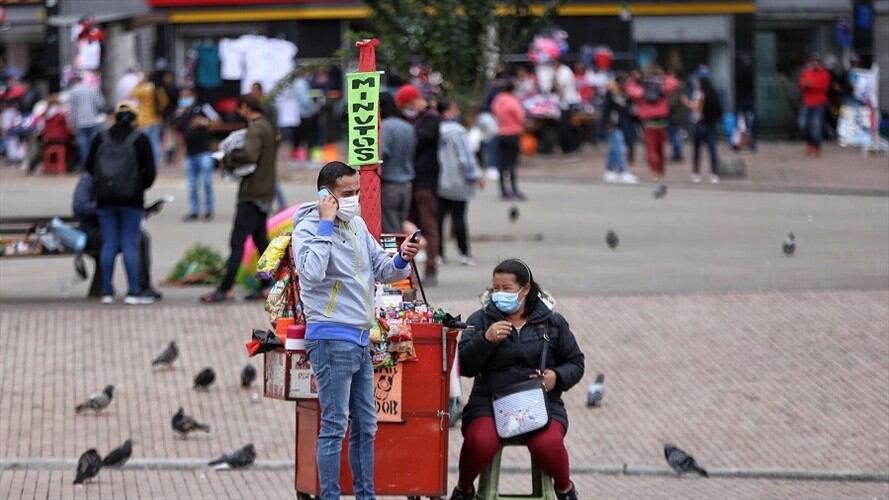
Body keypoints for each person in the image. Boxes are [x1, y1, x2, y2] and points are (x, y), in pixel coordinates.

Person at [293, 161, 420, 500]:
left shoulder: (356, 224)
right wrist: (324, 223)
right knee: (334, 426)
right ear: (325, 195)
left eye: (356, 192)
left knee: (366, 425)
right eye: (346, 193)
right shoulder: (309, 227)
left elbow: (383, 270)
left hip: (361, 338)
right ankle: (330, 495)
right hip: (331, 336)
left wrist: (402, 258)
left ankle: (366, 495)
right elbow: (311, 273)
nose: (353, 199)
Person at [450, 259, 585, 500]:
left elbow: (576, 362)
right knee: (480, 442)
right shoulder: (480, 320)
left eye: (507, 289)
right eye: (495, 289)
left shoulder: (552, 323)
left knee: (547, 445)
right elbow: (464, 367)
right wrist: (485, 340)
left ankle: (565, 489)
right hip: (489, 402)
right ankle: (464, 489)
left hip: (541, 404)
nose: (499, 294)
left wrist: (558, 377)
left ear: (525, 289)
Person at [201, 94, 277, 303]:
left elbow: (250, 155)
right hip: (264, 192)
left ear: (246, 107)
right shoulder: (268, 126)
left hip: (252, 193)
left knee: (237, 242)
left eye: (240, 109)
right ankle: (266, 285)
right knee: (261, 242)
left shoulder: (255, 128)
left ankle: (225, 289)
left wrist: (228, 157)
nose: (238, 113)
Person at [83, 102, 157, 305]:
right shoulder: (140, 139)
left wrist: (103, 184)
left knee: (109, 243)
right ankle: (133, 292)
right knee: (129, 243)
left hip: (105, 198)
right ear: (134, 118)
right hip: (132, 199)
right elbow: (150, 172)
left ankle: (106, 291)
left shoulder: (101, 137)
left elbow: (89, 167)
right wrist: (140, 186)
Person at [72, 172, 162, 300]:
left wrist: (146, 211)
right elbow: (79, 207)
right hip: (93, 230)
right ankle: (118, 288)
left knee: (142, 237)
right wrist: (105, 209)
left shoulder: (123, 178)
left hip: (118, 227)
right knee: (130, 240)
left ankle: (143, 285)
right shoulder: (89, 179)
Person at [395, 84, 440, 285]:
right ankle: (408, 269)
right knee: (410, 227)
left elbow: (421, 141)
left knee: (428, 225)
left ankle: (431, 267)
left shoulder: (430, 119)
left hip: (425, 182)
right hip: (411, 181)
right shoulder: (414, 120)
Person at [436, 99, 482, 266]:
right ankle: (464, 253)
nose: (457, 112)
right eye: (455, 108)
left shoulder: (436, 130)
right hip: (458, 182)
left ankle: (438, 254)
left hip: (440, 182)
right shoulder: (459, 132)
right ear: (447, 111)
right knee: (459, 218)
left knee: (439, 219)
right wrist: (475, 175)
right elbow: (465, 158)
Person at [627, 67, 679, 181]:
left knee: (651, 148)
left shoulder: (642, 90)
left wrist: (633, 78)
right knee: (661, 148)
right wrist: (664, 76)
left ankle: (654, 171)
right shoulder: (662, 88)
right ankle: (661, 170)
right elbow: (675, 84)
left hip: (648, 123)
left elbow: (630, 90)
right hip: (662, 122)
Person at [176, 87, 220, 220]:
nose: (184, 99)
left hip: (204, 152)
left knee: (206, 182)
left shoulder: (203, 108)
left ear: (193, 96)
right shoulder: (182, 113)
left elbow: (218, 120)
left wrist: (204, 122)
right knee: (192, 185)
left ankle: (209, 209)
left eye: (186, 96)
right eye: (182, 97)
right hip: (190, 153)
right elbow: (180, 133)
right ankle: (194, 210)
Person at [380, 92, 416, 234]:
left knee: (390, 230)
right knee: (401, 225)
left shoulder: (385, 127)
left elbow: (382, 155)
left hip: (389, 185)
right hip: (407, 185)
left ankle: (393, 256)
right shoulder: (408, 127)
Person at [491, 81, 527, 200]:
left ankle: (503, 190)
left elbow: (494, 113)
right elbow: (520, 117)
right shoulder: (513, 101)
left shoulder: (497, 101)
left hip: (501, 133)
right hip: (513, 133)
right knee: (512, 163)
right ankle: (514, 190)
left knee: (502, 163)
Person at [601, 77, 639, 184]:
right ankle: (623, 172)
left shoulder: (622, 94)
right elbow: (606, 110)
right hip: (612, 125)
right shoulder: (611, 94)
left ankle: (608, 172)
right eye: (622, 82)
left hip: (620, 125)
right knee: (619, 148)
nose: (624, 84)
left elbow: (627, 108)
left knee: (613, 149)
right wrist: (606, 123)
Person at [688, 77, 723, 184]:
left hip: (700, 124)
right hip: (711, 125)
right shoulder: (713, 94)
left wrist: (687, 102)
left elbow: (697, 108)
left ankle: (696, 173)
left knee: (697, 150)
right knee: (712, 150)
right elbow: (719, 110)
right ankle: (714, 173)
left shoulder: (699, 94)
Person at [67, 75, 106, 169]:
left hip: (80, 122)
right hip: (93, 120)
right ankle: (95, 164)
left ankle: (85, 166)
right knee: (94, 143)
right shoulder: (92, 89)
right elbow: (101, 103)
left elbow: (73, 109)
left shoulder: (73, 91)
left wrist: (71, 123)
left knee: (83, 144)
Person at [130, 73, 168, 167]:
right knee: (155, 143)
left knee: (144, 143)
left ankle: (145, 163)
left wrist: (139, 83)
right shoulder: (159, 89)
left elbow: (132, 93)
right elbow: (164, 102)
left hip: (144, 120)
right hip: (156, 119)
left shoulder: (144, 89)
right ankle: (156, 163)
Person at [798, 54, 831, 156]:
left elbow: (824, 87)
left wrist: (810, 85)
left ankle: (817, 145)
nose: (815, 63)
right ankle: (809, 142)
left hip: (819, 102)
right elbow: (802, 85)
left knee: (816, 125)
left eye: (817, 61)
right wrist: (805, 85)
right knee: (803, 123)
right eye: (814, 61)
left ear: (820, 63)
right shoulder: (806, 72)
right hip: (807, 102)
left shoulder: (825, 74)